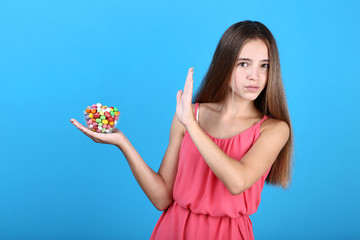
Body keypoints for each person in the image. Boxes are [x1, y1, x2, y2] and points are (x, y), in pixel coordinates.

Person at [70, 20, 293, 240]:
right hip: (174, 230)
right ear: (225, 63)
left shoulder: (274, 129)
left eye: (265, 65)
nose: (254, 75)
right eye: (243, 63)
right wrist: (122, 142)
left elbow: (237, 182)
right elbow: (162, 199)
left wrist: (191, 125)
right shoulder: (189, 115)